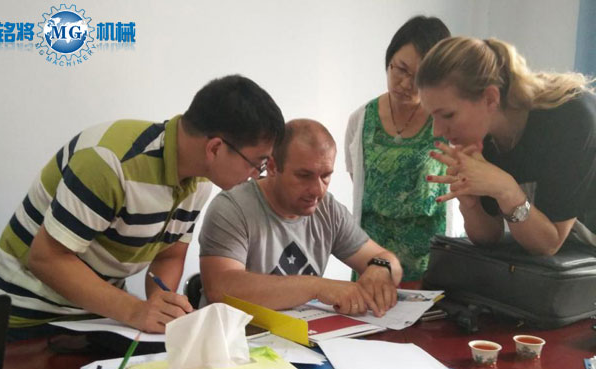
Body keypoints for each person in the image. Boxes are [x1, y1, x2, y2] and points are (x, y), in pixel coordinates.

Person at [0, 74, 285, 339]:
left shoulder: (199, 182)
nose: (255, 175)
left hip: (98, 318)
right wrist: (133, 310)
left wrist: (161, 301)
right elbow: (47, 258)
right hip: (27, 317)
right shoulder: (109, 162)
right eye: (257, 163)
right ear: (215, 148)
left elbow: (169, 256)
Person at [199, 119, 403, 317]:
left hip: (305, 336)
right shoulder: (232, 207)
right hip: (240, 336)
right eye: (304, 176)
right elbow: (220, 288)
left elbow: (389, 261)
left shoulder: (328, 208)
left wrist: (381, 268)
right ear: (272, 167)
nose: (317, 190)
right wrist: (317, 287)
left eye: (326, 176)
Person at [417, 36, 596, 255]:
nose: (437, 131)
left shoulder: (570, 118)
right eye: (433, 117)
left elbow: (549, 244)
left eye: (448, 115)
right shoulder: (485, 136)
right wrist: (470, 203)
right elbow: (489, 238)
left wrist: (506, 190)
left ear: (490, 98)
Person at [345, 15, 451, 284]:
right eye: (400, 69)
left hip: (431, 265)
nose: (405, 84)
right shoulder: (361, 119)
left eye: (419, 78)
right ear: (389, 59)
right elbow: (359, 182)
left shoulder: (446, 122)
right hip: (371, 263)